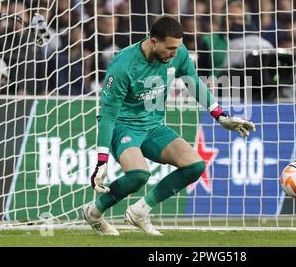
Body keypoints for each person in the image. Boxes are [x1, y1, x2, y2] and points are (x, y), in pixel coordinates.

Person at [82, 16, 255, 236]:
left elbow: (193, 82)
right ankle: (94, 212)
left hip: (154, 126)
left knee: (195, 165)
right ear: (153, 41)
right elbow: (106, 115)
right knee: (138, 175)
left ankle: (139, 211)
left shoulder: (178, 53)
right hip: (123, 126)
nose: (174, 53)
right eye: (170, 48)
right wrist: (102, 160)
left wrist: (221, 116)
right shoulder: (123, 65)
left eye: (178, 48)